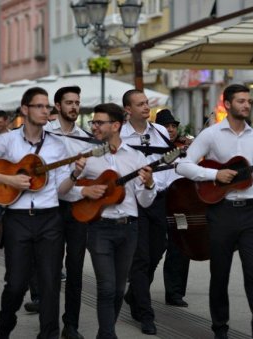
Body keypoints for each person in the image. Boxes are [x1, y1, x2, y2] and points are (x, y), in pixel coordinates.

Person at [176, 84, 253, 339]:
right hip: (222, 212)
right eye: (241, 101)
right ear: (228, 104)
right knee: (220, 274)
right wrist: (215, 174)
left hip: (252, 213)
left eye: (248, 101)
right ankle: (220, 329)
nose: (246, 105)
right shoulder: (211, 135)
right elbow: (183, 166)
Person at [0, 87, 69, 339]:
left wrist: (77, 174)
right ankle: (5, 326)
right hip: (18, 219)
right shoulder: (6, 141)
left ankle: (49, 334)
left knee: (50, 284)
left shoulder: (58, 144)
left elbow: (64, 188)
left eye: (48, 107)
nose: (46, 111)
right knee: (16, 284)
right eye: (40, 106)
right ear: (25, 109)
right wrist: (9, 180)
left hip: (50, 219)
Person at [60, 102, 156, 339]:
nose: (94, 127)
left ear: (116, 125)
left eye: (99, 122)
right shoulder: (88, 157)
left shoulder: (135, 157)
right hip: (99, 228)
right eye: (93, 122)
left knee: (118, 289)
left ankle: (105, 333)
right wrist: (81, 187)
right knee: (105, 288)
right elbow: (62, 191)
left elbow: (144, 201)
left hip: (129, 228)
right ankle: (107, 334)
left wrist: (149, 184)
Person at [120, 89, 172, 335]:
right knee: (140, 258)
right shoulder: (119, 134)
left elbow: (170, 163)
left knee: (156, 252)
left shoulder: (160, 132)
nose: (145, 107)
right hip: (133, 201)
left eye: (146, 103)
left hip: (159, 198)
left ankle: (133, 294)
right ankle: (146, 314)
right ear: (128, 110)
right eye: (140, 104)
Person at [43, 85, 92, 339]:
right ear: (58, 106)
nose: (74, 106)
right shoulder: (44, 134)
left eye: (77, 102)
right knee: (50, 269)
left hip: (75, 208)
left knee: (75, 269)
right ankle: (48, 324)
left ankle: (70, 325)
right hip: (49, 208)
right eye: (69, 102)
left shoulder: (84, 137)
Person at [154, 109, 192, 308]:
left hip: (180, 203)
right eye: (167, 126)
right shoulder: (152, 147)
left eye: (173, 126)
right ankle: (136, 289)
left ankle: (175, 292)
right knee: (155, 247)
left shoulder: (183, 149)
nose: (171, 129)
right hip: (159, 202)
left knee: (181, 246)